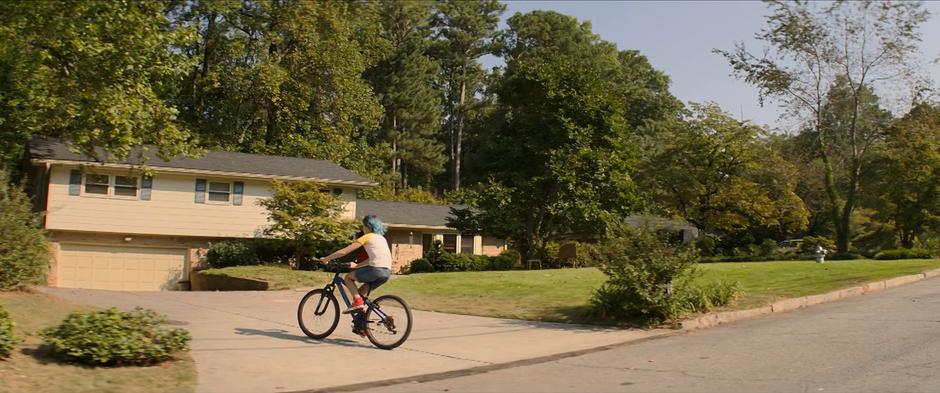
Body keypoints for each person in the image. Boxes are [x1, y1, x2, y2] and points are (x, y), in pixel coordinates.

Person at [320, 215, 393, 314]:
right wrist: (356, 266)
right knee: (360, 294)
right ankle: (362, 325)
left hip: (375, 270)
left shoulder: (367, 237)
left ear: (367, 226)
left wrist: (326, 258)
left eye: (363, 226)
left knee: (348, 278)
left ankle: (358, 302)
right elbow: (370, 259)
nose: (363, 229)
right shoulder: (382, 239)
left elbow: (344, 251)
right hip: (386, 272)